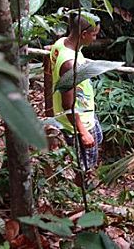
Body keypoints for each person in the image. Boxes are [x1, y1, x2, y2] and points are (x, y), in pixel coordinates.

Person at [49, 12, 102, 172]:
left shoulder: (60, 44)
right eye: (93, 35)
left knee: (95, 143)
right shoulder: (70, 64)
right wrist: (83, 132)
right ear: (83, 34)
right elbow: (68, 103)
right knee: (84, 167)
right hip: (78, 124)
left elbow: (49, 67)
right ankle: (80, 192)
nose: (95, 39)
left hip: (85, 114)